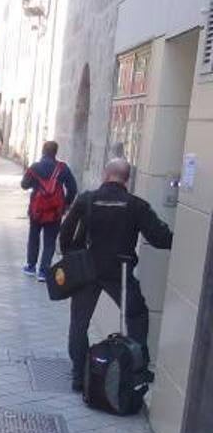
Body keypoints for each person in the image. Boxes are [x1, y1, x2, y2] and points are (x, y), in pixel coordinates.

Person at [58, 158, 173, 391]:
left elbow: (66, 232)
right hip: (119, 271)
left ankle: (79, 376)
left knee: (79, 323)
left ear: (104, 174)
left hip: (87, 268)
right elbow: (160, 239)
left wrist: (73, 256)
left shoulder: (87, 200)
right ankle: (137, 370)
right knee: (136, 316)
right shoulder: (136, 205)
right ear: (127, 180)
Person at [21, 141, 77, 282]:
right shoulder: (62, 168)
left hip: (37, 210)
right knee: (50, 241)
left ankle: (31, 266)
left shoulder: (35, 167)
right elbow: (73, 188)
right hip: (55, 211)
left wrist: (35, 184)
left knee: (34, 237)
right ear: (55, 152)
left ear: (43, 151)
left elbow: (24, 185)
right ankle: (44, 272)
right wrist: (65, 204)